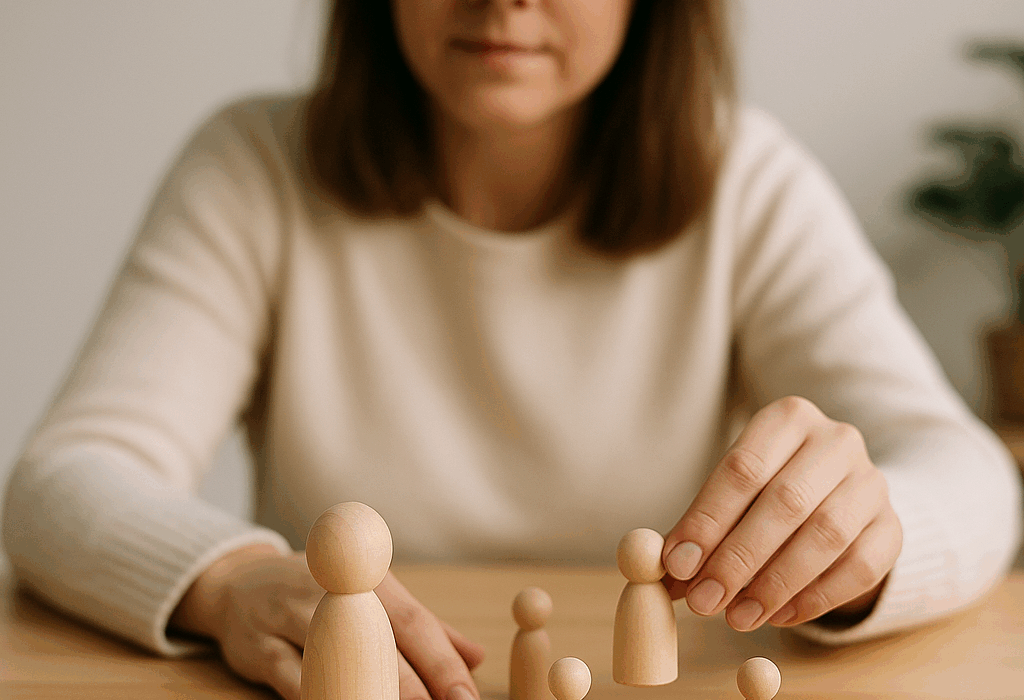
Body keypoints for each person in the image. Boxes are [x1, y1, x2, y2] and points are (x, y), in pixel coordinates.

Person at [3, 1, 1021, 700]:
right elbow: (62, 478)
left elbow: (970, 469)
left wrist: (871, 538)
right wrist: (227, 583)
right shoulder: (255, 169)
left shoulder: (745, 184)